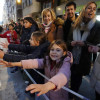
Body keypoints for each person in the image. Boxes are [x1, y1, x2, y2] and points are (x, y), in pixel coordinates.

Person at [0, 40, 72, 100]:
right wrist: (14, 64)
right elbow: (33, 62)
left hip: (59, 95)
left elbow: (63, 75)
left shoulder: (66, 63)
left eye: (58, 50)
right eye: (52, 49)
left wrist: (47, 86)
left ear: (64, 53)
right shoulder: (47, 60)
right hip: (47, 93)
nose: (54, 52)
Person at [67, 1, 100, 99]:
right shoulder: (75, 23)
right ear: (84, 9)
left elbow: (97, 43)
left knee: (77, 78)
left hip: (84, 58)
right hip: (72, 55)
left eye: (94, 9)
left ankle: (72, 94)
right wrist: (71, 43)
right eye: (89, 8)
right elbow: (68, 40)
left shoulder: (97, 25)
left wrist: (84, 44)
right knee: (72, 76)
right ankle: (71, 92)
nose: (92, 11)